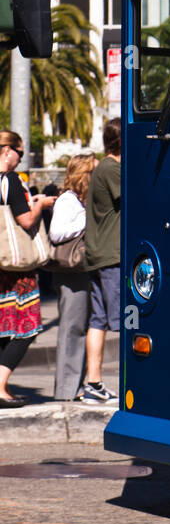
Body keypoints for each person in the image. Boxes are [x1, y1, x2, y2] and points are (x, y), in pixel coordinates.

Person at [0, 130, 55, 408]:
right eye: (20, 153)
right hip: (16, 268)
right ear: (8, 151)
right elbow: (24, 220)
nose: (20, 159)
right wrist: (41, 203)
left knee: (3, 327)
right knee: (27, 327)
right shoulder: (9, 179)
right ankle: (0, 386)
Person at [50, 154, 97, 402]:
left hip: (83, 271)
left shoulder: (82, 200)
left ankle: (78, 385)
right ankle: (67, 390)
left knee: (82, 327)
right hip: (71, 273)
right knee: (72, 328)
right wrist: (86, 219)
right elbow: (57, 233)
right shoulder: (67, 201)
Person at [80, 118, 121, 404]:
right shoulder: (112, 169)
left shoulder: (100, 169)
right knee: (122, 321)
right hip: (111, 254)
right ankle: (136, 384)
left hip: (98, 253)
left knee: (98, 319)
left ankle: (92, 383)